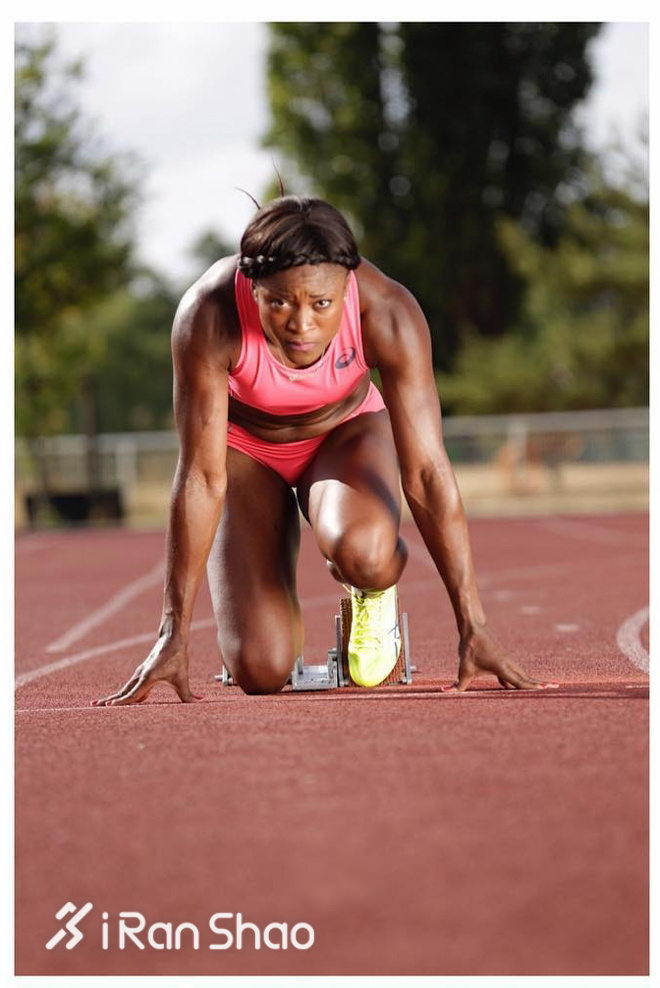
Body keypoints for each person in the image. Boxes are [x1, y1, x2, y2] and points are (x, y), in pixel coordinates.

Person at [92, 196, 554, 706]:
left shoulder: (388, 312)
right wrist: (173, 631)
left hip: (344, 433)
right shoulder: (209, 313)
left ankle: (372, 589)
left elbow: (426, 470)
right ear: (252, 286)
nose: (301, 324)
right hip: (245, 452)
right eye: (280, 302)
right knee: (260, 670)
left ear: (347, 285)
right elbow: (201, 478)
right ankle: (259, 628)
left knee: (366, 553)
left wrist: (473, 622)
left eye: (321, 304)